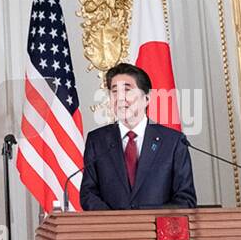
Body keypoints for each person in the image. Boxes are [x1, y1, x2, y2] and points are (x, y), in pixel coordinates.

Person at [79, 63, 196, 210]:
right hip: (111, 231)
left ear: (147, 98)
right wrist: (115, 223)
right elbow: (88, 194)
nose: (120, 98)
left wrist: (146, 221)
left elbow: (185, 199)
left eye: (127, 90)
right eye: (114, 92)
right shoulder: (97, 141)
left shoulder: (173, 142)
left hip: (157, 230)